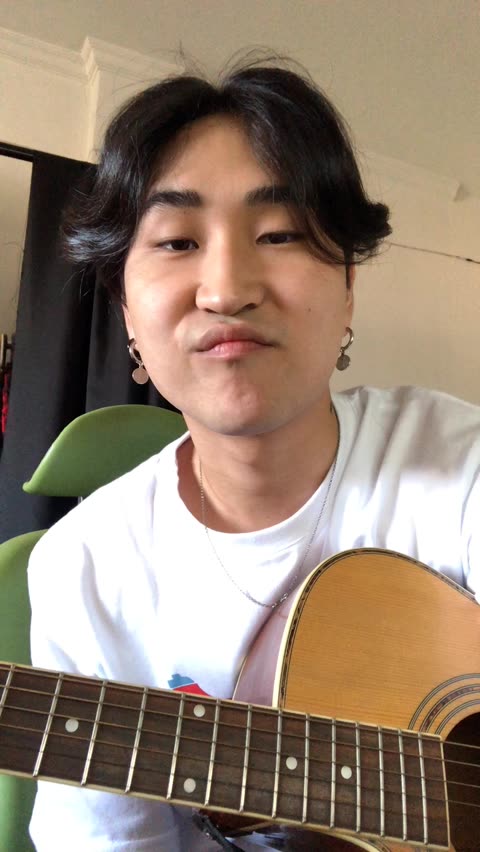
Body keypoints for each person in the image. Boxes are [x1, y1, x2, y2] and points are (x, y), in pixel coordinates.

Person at [27, 57, 479, 851]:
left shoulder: (458, 467)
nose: (226, 288)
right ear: (125, 310)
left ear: (348, 288)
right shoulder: (85, 571)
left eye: (278, 234)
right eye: (176, 241)